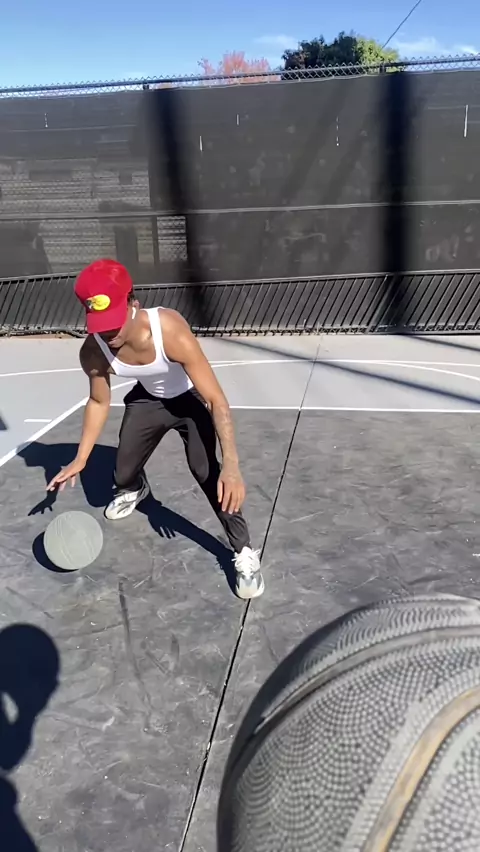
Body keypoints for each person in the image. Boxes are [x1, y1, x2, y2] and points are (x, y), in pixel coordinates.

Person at [46, 259, 264, 600]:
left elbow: (216, 400)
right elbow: (99, 402)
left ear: (133, 304)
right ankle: (135, 489)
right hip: (148, 401)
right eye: (100, 325)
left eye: (114, 322)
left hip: (189, 401)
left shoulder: (169, 330)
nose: (109, 334)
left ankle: (244, 551)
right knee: (122, 472)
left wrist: (232, 465)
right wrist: (81, 458)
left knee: (208, 473)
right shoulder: (94, 350)